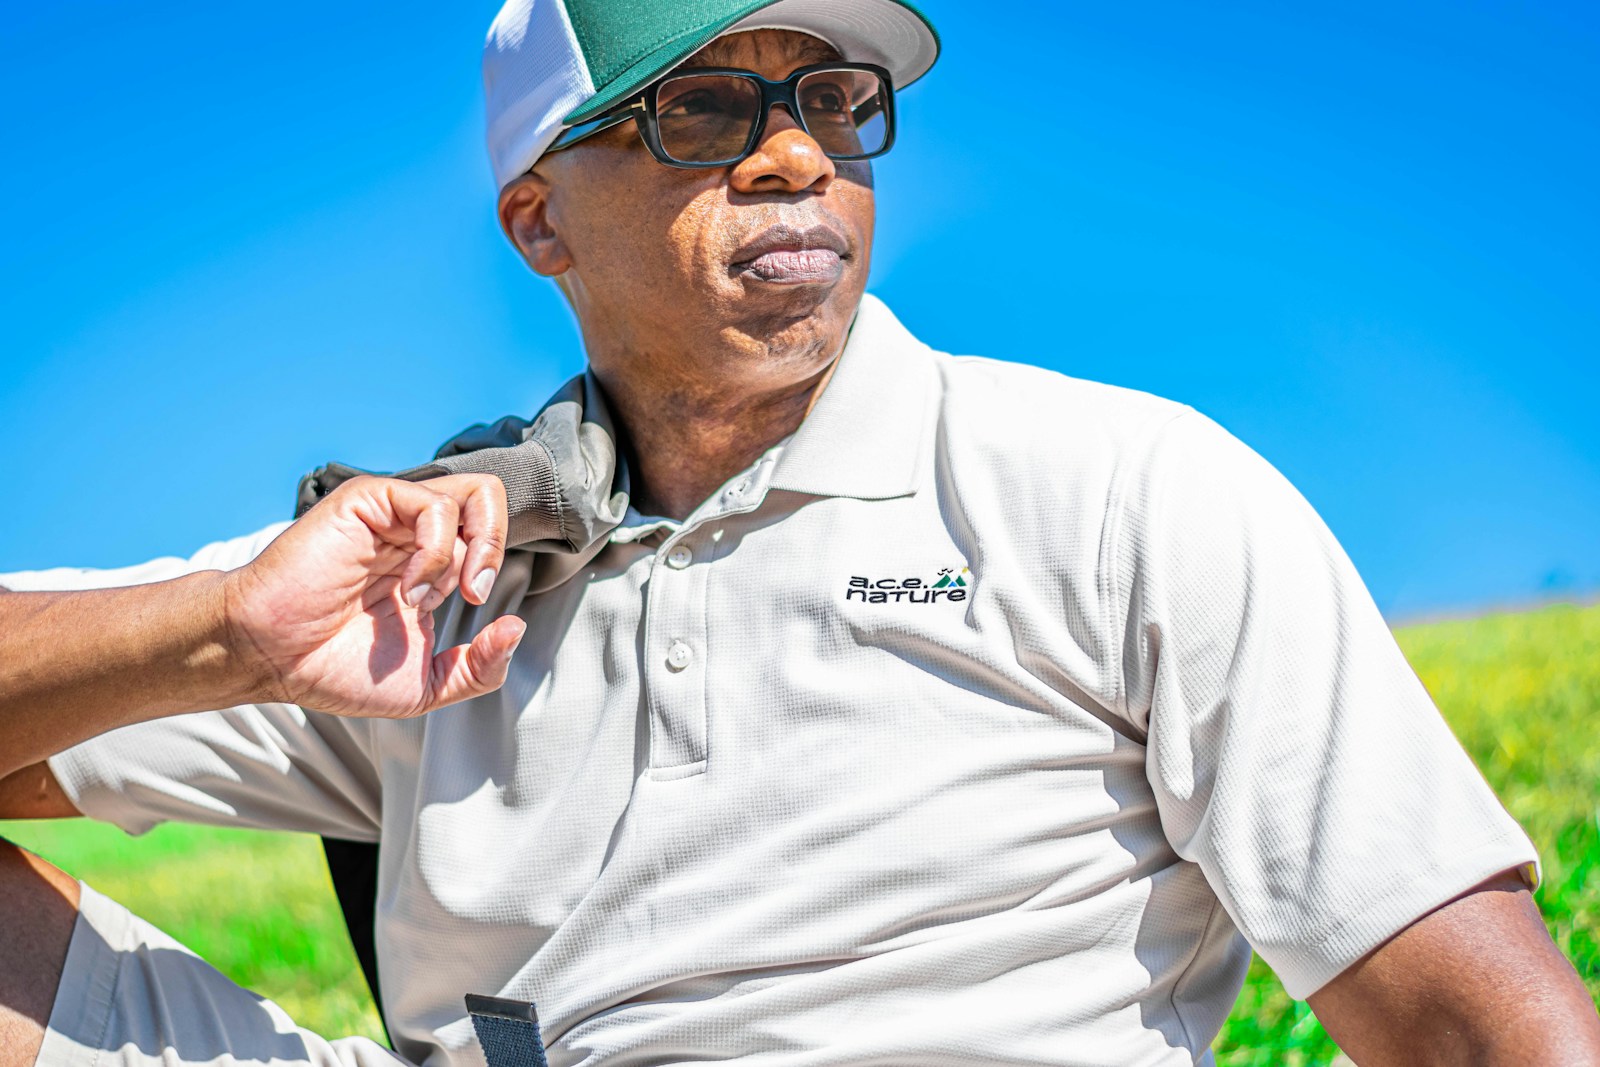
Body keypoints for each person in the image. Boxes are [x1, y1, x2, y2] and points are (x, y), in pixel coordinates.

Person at [2, 1, 1597, 1064]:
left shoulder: (1122, 487)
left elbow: (1482, 1026)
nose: (798, 153)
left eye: (834, 100)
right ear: (539, 215)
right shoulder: (443, 576)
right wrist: (225, 636)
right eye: (704, 109)